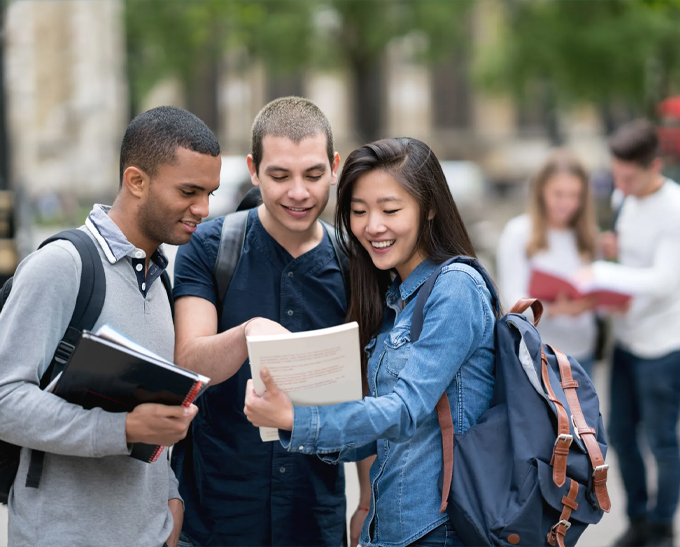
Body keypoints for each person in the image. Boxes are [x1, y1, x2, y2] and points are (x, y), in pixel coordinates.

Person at [244, 137, 497, 547]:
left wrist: (298, 419)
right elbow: (389, 435)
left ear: (429, 206)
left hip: (440, 529)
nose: (372, 226)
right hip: (393, 527)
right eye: (359, 212)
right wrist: (295, 421)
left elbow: (404, 412)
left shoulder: (456, 289)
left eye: (390, 209)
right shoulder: (394, 295)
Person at [0, 105, 221, 546]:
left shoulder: (160, 281)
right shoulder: (60, 266)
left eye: (210, 193)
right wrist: (123, 431)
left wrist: (170, 499)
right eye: (190, 191)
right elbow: (4, 401)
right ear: (136, 181)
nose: (204, 209)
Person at [170, 96, 372, 547]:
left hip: (314, 514)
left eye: (314, 175)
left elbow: (368, 393)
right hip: (216, 517)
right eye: (279, 176)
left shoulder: (356, 265)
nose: (298, 193)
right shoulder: (208, 247)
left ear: (335, 167)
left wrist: (366, 502)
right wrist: (246, 333)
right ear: (253, 169)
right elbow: (188, 362)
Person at [581, 119, 680, 547]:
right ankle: (637, 518)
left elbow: (663, 280)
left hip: (663, 345)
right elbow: (633, 262)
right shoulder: (625, 197)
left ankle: (661, 525)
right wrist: (612, 251)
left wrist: (601, 272)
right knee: (620, 434)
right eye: (615, 174)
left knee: (661, 439)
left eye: (627, 176)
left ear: (654, 165)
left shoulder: (674, 207)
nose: (619, 184)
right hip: (625, 339)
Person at [496, 149, 599, 377]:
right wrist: (553, 310)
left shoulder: (587, 237)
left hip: (582, 354)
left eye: (575, 195)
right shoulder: (519, 232)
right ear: (541, 191)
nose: (567, 203)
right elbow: (512, 303)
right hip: (538, 355)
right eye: (559, 194)